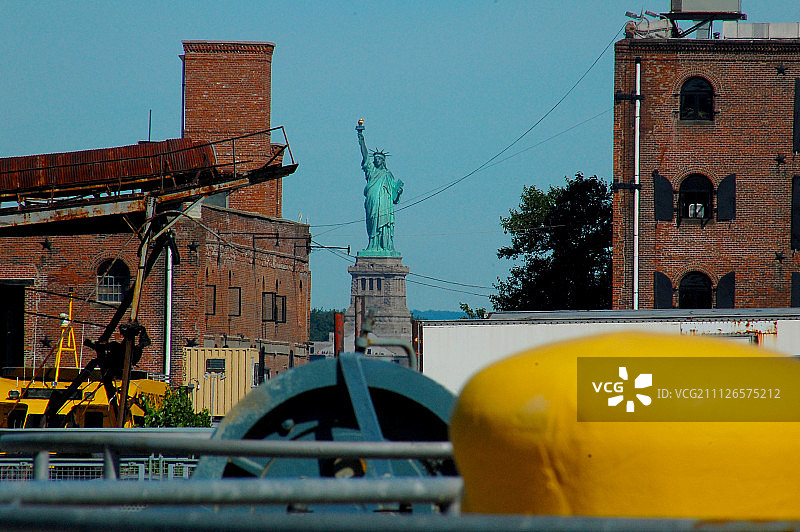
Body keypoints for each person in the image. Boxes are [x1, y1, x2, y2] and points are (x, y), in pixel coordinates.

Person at [357, 121, 403, 253]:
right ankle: (373, 245)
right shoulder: (371, 171)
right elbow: (365, 155)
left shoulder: (388, 175)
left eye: (379, 158)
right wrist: (361, 137)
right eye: (375, 158)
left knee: (385, 224)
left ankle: (386, 246)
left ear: (383, 161)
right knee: (373, 221)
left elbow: (394, 197)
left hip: (385, 203)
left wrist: (398, 192)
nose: (376, 160)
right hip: (373, 200)